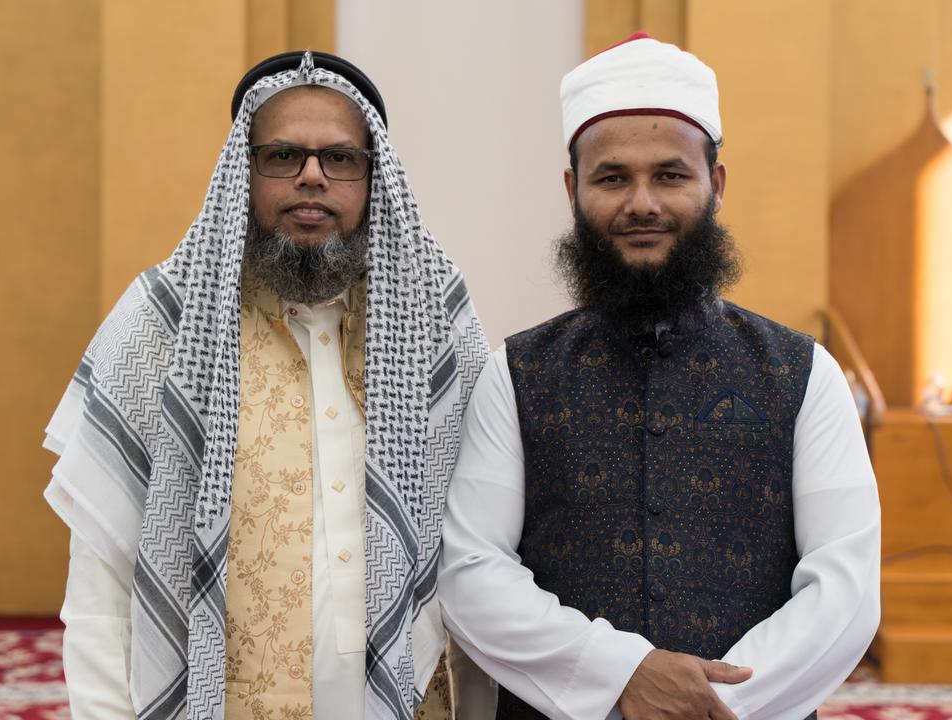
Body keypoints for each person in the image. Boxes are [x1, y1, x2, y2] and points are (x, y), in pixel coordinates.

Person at [438, 34, 880, 720]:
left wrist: (710, 706)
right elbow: (471, 575)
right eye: (612, 177)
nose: (642, 203)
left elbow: (845, 589)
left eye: (670, 175)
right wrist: (622, 676)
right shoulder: (516, 374)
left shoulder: (802, 372)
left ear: (716, 185)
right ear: (572, 190)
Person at [43, 50, 490, 720]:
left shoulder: (437, 323)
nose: (312, 177)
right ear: (243, 173)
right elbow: (102, 586)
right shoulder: (164, 324)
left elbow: (483, 553)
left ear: (373, 178)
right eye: (283, 156)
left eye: (340, 158)